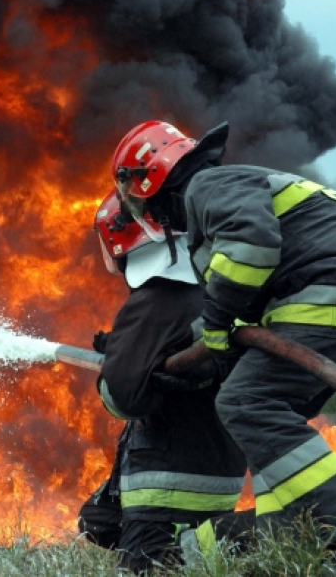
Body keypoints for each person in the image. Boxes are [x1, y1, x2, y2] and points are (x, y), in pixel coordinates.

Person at [108, 119, 336, 574]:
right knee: (272, 423)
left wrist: (214, 325)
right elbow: (252, 292)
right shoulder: (226, 189)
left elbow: (252, 248)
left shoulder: (206, 186)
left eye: (136, 198)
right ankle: (294, 540)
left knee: (247, 402)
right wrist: (207, 351)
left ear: (150, 179)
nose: (145, 213)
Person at [78, 190, 248, 574]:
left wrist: (114, 369)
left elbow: (123, 399)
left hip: (168, 482)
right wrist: (128, 354)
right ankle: (201, 547)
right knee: (97, 521)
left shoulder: (156, 298)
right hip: (219, 470)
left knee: (149, 568)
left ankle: (232, 542)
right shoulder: (211, 293)